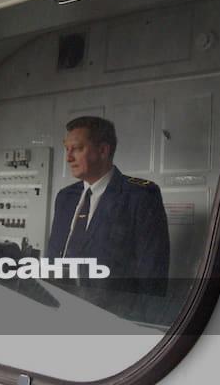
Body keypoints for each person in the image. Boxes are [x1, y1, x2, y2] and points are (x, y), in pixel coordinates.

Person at [46, 116, 169, 296]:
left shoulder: (141, 195)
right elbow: (52, 257)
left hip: (113, 309)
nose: (69, 158)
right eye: (67, 149)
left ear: (103, 150)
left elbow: (152, 276)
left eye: (77, 149)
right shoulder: (65, 197)